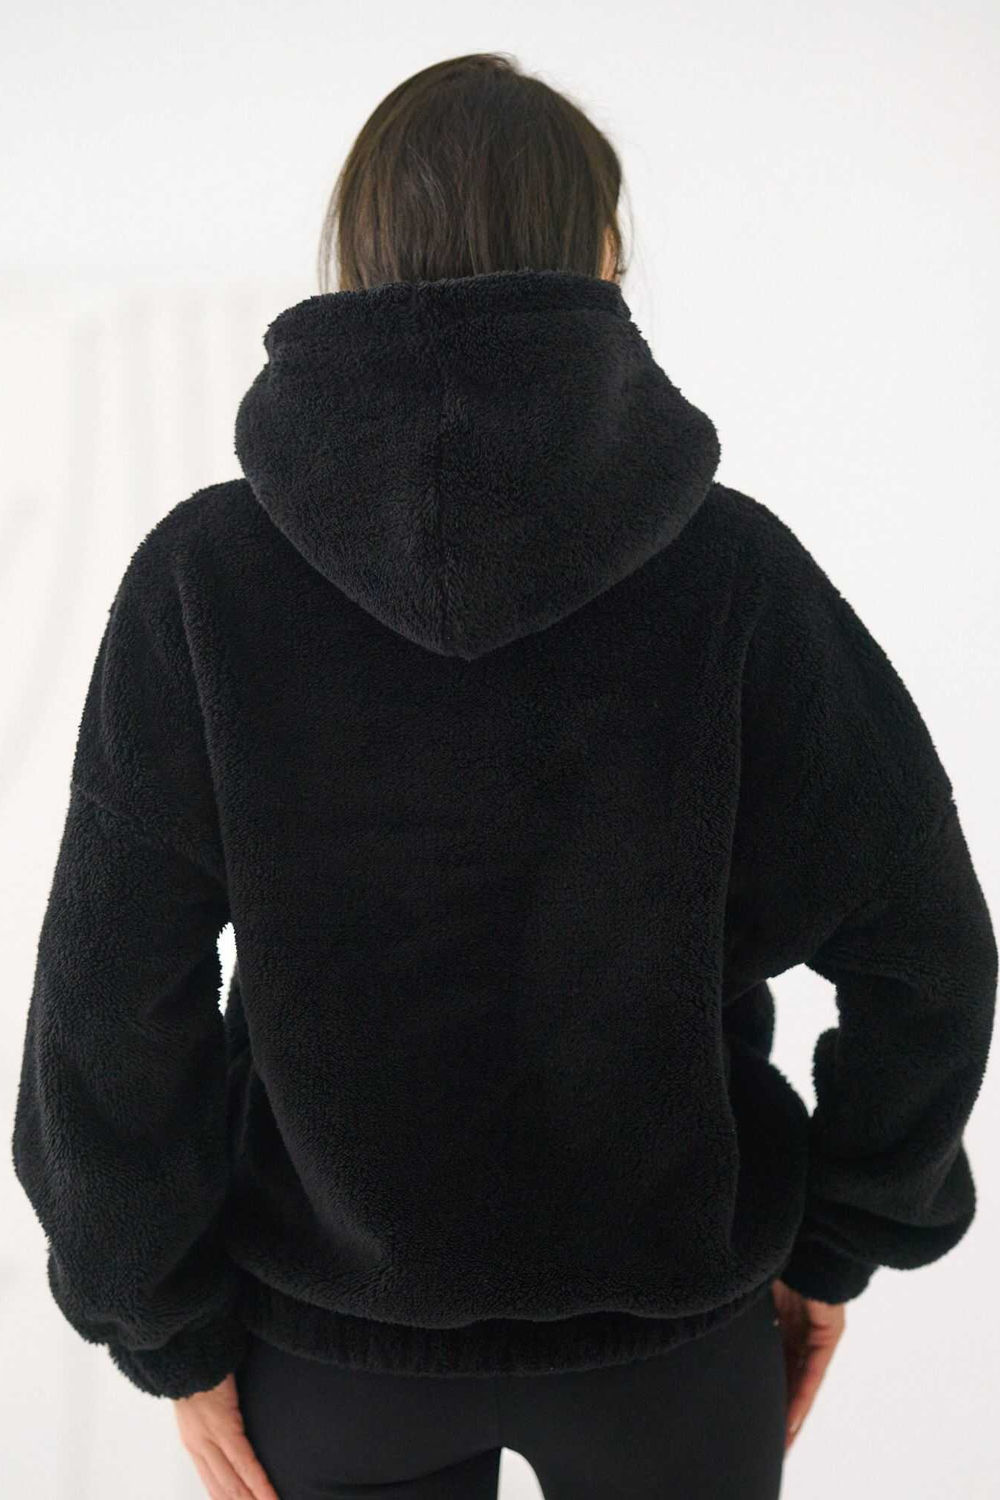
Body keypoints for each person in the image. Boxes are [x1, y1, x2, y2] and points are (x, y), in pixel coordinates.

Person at [11, 50, 997, 1500]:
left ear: (360, 251)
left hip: (329, 1361)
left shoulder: (203, 581)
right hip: (671, 1358)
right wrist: (843, 1231)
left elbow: (107, 998)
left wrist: (163, 1321)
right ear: (599, 257)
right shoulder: (734, 573)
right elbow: (926, 951)